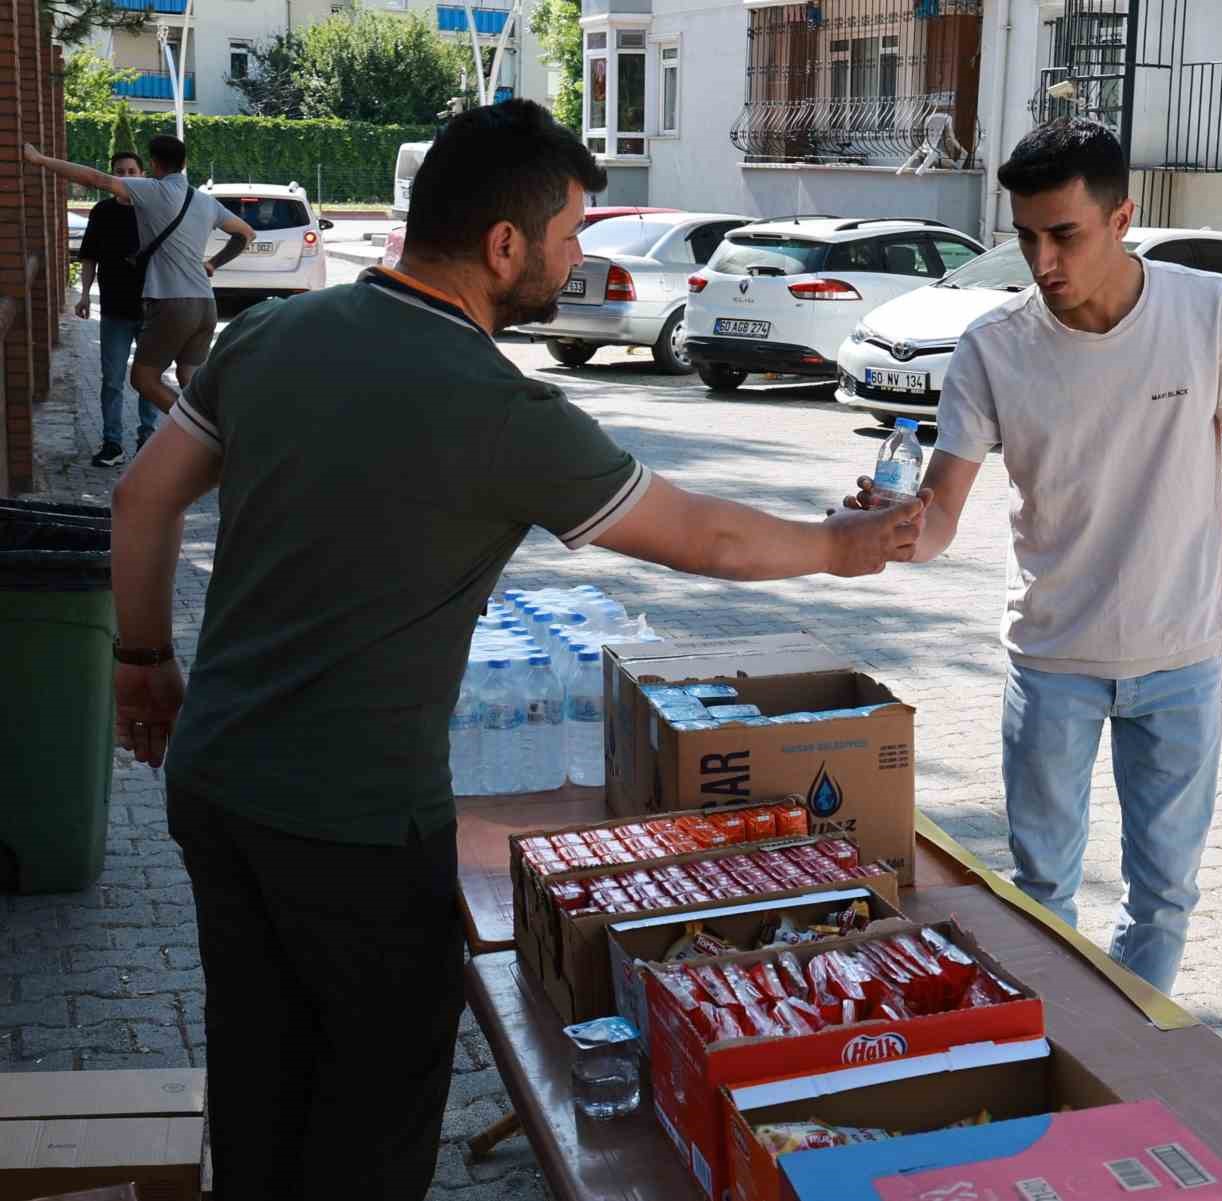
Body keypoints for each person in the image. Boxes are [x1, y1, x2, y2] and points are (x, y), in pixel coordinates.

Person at [106, 100, 927, 1200]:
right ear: (504, 244)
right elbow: (706, 537)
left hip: (218, 788)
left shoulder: (269, 337)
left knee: (259, 1078)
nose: (577, 257)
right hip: (358, 823)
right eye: (570, 233)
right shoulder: (500, 407)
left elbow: (141, 500)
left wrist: (144, 662)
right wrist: (840, 547)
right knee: (372, 1119)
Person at [845, 118, 1222, 996]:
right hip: (1052, 659)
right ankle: (1059, 1045)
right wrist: (903, 530)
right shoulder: (994, 348)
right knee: (1040, 896)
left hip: (1181, 656)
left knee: (1165, 897)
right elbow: (944, 509)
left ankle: (1129, 1052)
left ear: (1121, 218)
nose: (1042, 262)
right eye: (1025, 237)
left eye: (1064, 235)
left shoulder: (1209, 312)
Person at [24, 135, 255, 415]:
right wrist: (213, 264)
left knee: (144, 380)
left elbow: (95, 179)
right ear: (184, 163)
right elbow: (246, 234)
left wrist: (40, 159)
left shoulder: (152, 190)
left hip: (171, 302)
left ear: (154, 164)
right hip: (206, 304)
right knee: (189, 376)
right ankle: (216, 427)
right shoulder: (205, 201)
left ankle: (200, 429)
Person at [76, 150, 160, 468]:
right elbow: (89, 257)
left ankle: (148, 440)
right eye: (119, 171)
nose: (125, 177)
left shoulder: (154, 211)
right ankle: (112, 443)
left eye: (131, 171)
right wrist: (85, 295)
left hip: (152, 309)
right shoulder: (102, 212)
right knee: (111, 380)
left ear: (142, 175)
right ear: (111, 176)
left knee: (148, 380)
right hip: (113, 310)